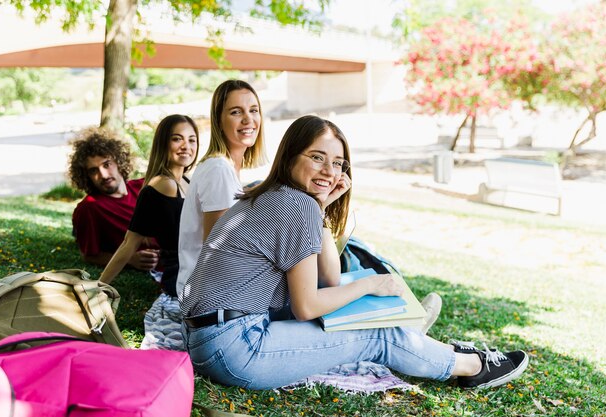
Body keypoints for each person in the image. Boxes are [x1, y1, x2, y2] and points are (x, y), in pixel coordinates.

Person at [181, 115, 528, 390]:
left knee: (348, 318)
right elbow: (308, 306)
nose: (329, 172)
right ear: (290, 157)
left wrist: (322, 207)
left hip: (213, 338)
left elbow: (329, 278)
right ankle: (472, 367)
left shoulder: (272, 196)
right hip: (237, 348)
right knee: (376, 335)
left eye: (338, 164)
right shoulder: (295, 205)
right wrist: (371, 285)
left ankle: (420, 343)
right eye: (317, 158)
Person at [176, 79, 266, 298]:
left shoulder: (227, 168)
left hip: (216, 287)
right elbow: (217, 253)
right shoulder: (218, 170)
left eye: (253, 110)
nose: (248, 119)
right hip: (209, 296)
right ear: (218, 120)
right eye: (236, 112)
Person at [99, 114, 198, 299]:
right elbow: (130, 242)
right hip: (181, 278)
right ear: (163, 143)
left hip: (198, 269)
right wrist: (99, 287)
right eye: (177, 139)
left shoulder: (187, 182)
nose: (186, 146)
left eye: (192, 140)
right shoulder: (162, 185)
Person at [69, 128, 159, 271]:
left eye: (107, 164)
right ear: (86, 176)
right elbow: (89, 255)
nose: (103, 175)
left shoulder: (146, 186)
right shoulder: (89, 208)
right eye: (94, 170)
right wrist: (129, 259)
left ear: (119, 162)